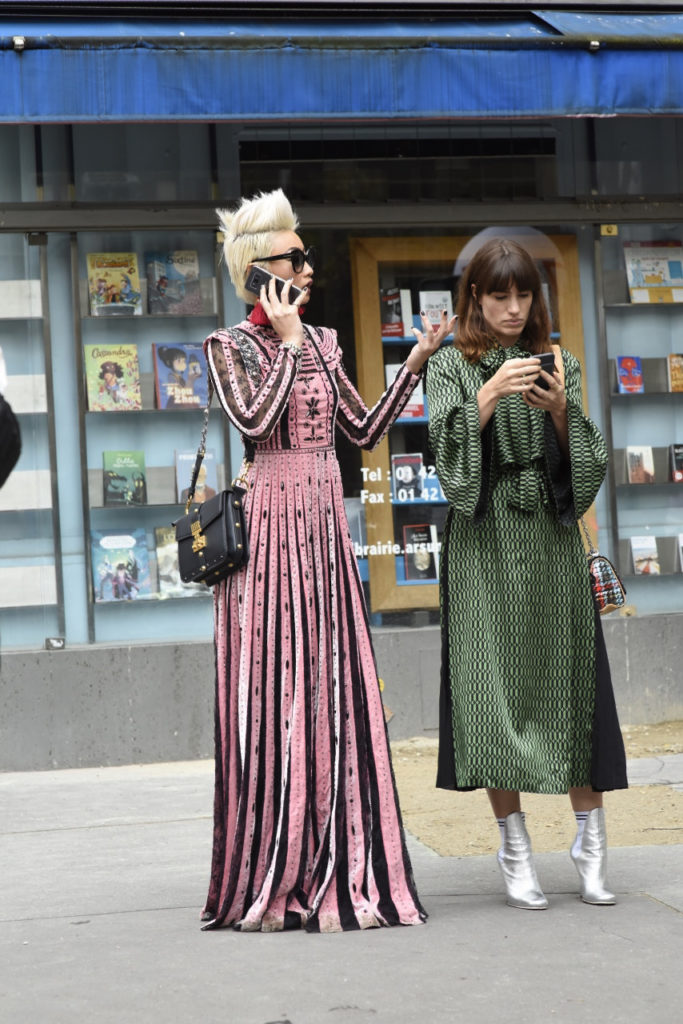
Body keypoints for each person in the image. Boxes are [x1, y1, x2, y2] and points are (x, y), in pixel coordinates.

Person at [200, 188, 454, 933]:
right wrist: (281, 341)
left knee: (330, 683)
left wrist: (415, 360)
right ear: (258, 269)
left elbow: (366, 430)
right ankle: (274, 871)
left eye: (306, 257)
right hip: (271, 527)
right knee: (277, 688)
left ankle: (337, 856)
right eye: (296, 258)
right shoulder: (229, 346)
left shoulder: (325, 341)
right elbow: (252, 420)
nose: (308, 269)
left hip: (322, 518)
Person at [425, 237, 627, 911]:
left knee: (572, 685)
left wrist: (559, 411)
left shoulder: (559, 362)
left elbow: (588, 467)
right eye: (498, 295)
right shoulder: (451, 364)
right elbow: (445, 460)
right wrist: (484, 396)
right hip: (482, 541)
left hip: (548, 533)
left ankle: (589, 847)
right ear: (475, 299)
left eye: (522, 295)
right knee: (491, 692)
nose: (512, 308)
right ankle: (514, 851)